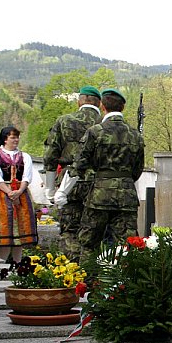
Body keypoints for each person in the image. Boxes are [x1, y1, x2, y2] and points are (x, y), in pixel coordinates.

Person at [72, 88, 145, 253]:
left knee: (89, 243)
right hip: (126, 195)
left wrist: (96, 179)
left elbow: (80, 163)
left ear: (103, 106)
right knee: (129, 245)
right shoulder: (135, 135)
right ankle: (125, 278)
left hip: (99, 195)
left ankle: (89, 278)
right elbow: (138, 169)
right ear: (123, 108)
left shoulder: (95, 131)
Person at [43, 85, 102, 257]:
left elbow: (50, 155)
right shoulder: (105, 124)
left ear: (80, 101)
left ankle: (72, 272)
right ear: (99, 103)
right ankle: (92, 274)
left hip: (70, 181)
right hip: (99, 183)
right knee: (94, 233)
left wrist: (50, 188)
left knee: (69, 230)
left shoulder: (64, 121)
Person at [0, 127, 38, 261]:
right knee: (4, 230)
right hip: (1, 195)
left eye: (17, 137)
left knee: (20, 230)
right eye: (13, 137)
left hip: (21, 194)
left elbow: (27, 176)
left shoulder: (24, 156)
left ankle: (18, 264)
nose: (16, 140)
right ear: (5, 139)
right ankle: (1, 263)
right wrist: (9, 192)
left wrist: (19, 191)